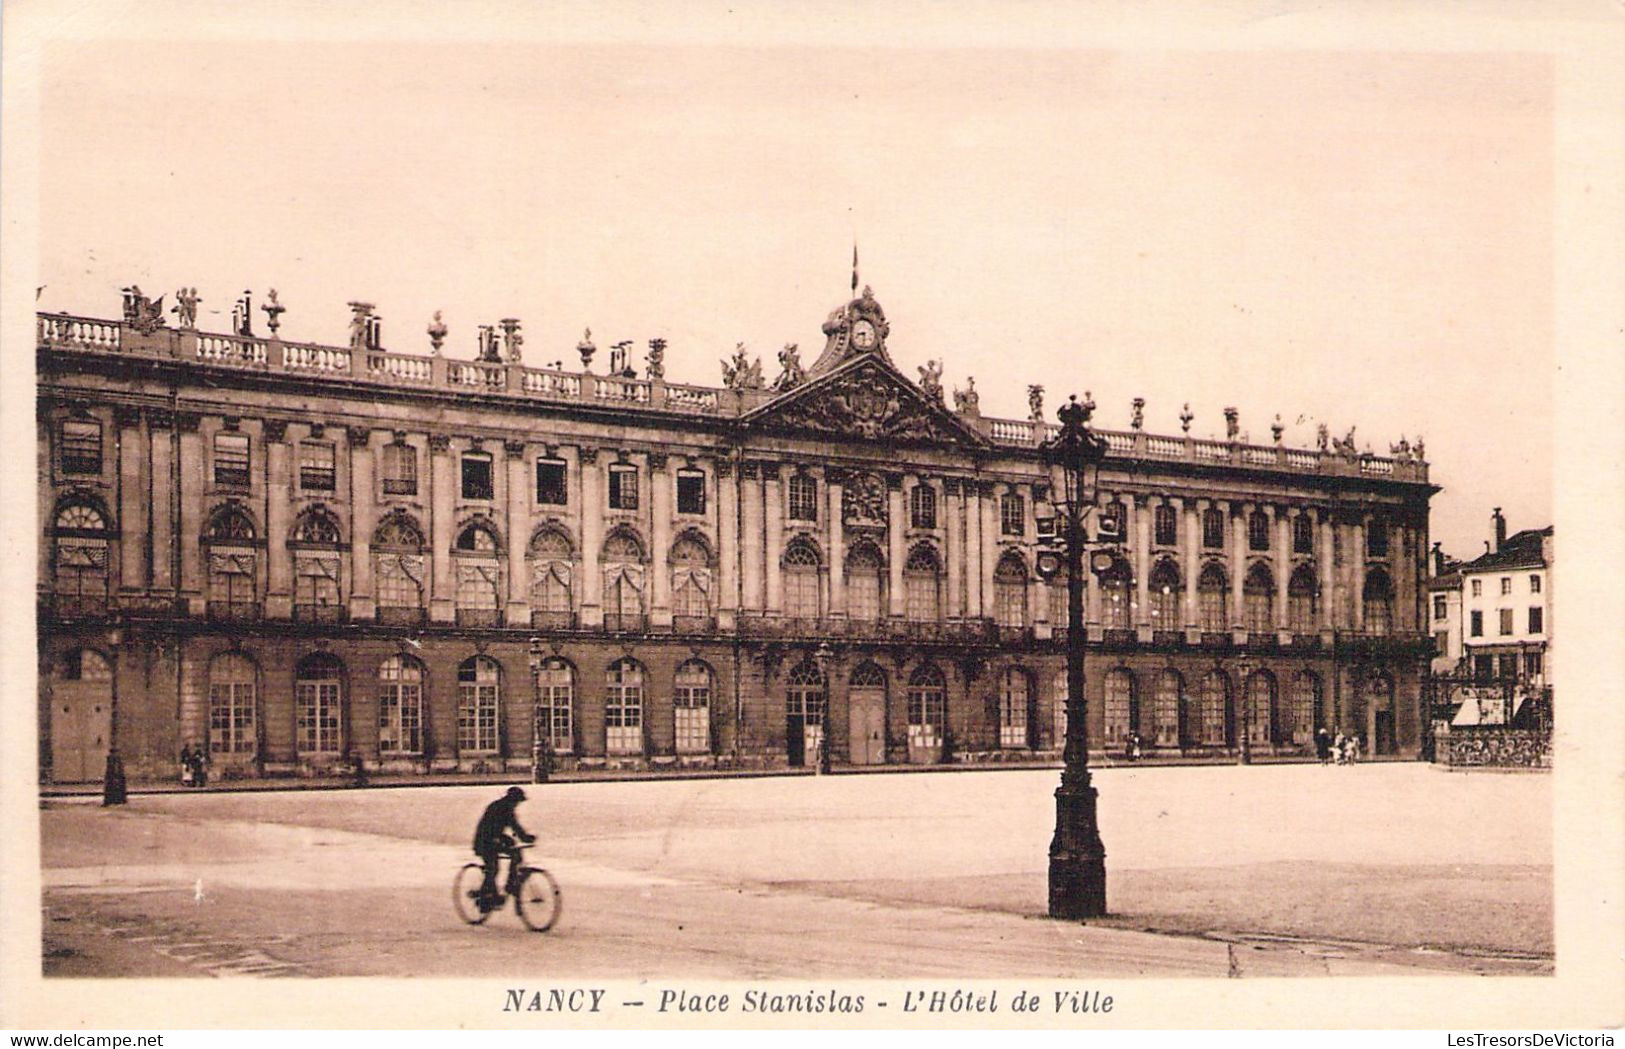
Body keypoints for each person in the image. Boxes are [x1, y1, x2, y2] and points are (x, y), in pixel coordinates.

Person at [472, 786, 535, 911]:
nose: (517, 804)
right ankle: (486, 897)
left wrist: (525, 838)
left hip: (494, 839)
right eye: (517, 801)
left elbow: (515, 827)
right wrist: (523, 838)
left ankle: (510, 883)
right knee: (493, 868)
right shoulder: (498, 808)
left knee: (516, 854)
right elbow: (490, 829)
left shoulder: (506, 808)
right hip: (484, 841)